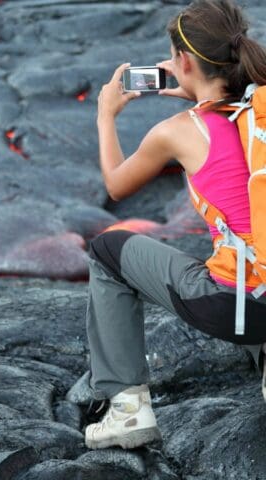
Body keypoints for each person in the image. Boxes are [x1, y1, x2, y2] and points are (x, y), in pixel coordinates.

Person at [84, 0, 266, 450]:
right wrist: (199, 91)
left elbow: (116, 184)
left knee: (108, 251)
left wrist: (106, 114)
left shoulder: (179, 130)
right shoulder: (261, 111)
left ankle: (127, 409)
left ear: (182, 62)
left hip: (235, 307)